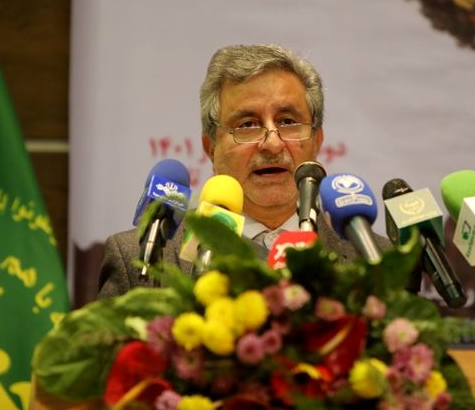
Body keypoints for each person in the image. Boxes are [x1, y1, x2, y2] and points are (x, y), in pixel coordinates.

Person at [97, 44, 391, 298]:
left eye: (288, 121)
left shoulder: (380, 261)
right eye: (247, 125)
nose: (272, 144)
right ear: (211, 147)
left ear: (317, 140)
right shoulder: (141, 260)